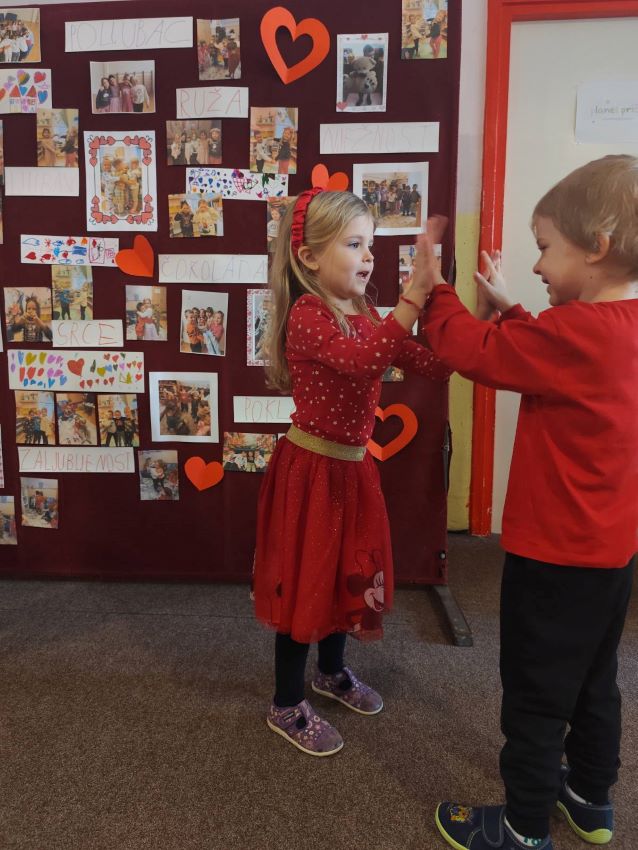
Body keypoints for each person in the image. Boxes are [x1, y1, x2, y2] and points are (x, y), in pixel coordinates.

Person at [415, 156, 638, 850]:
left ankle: (522, 827)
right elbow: (550, 358)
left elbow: (476, 350)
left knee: (535, 694)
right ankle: (592, 801)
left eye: (545, 248)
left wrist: (434, 288)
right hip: (612, 556)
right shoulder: (618, 328)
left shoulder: (574, 334)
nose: (537, 265)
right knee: (595, 680)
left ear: (596, 246)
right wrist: (512, 307)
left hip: (553, 558)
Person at [252, 189, 450, 756]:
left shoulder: (364, 315)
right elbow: (365, 363)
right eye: (355, 244)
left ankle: (331, 672)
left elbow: (432, 364)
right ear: (310, 257)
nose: (368, 257)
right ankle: (286, 702)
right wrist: (412, 299)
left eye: (371, 245)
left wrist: (466, 314)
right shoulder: (308, 316)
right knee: (305, 582)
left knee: (348, 572)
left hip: (352, 470)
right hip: (312, 473)